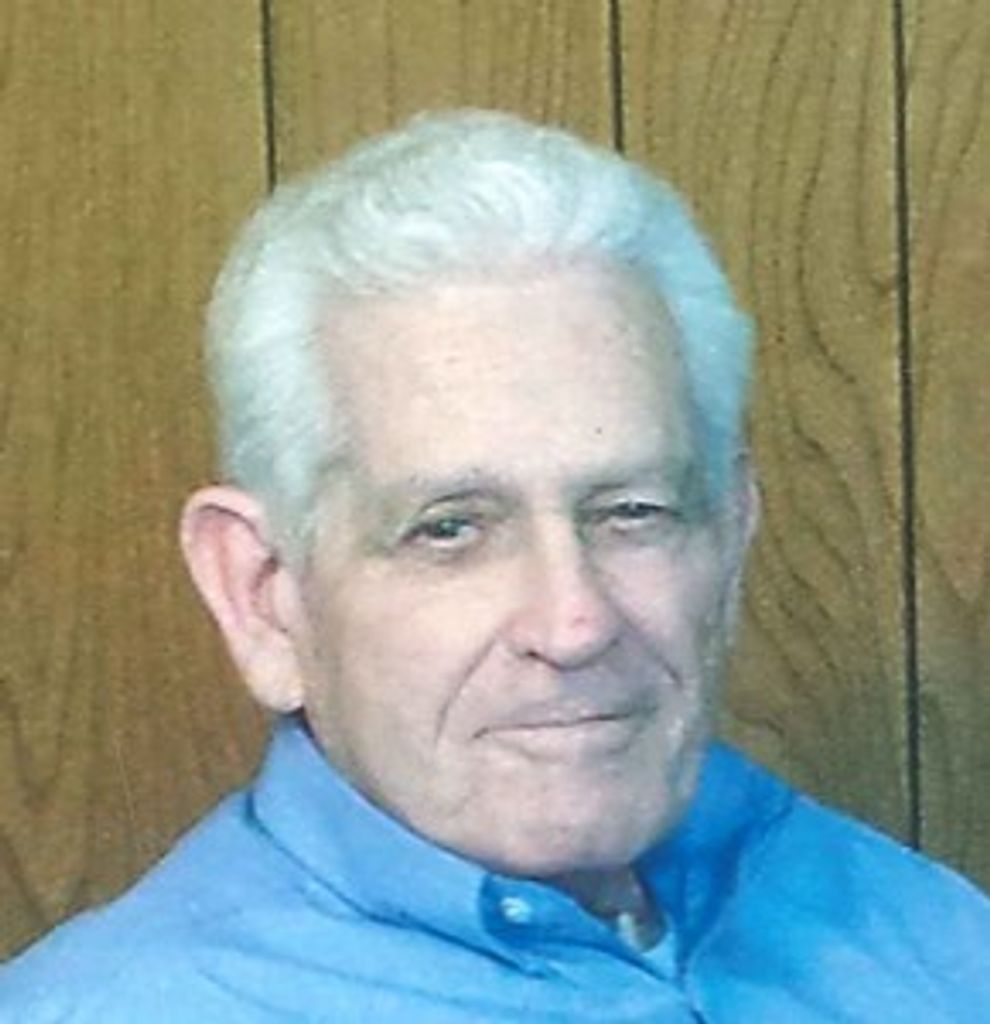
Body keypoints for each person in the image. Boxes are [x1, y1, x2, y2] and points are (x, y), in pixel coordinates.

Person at [1, 110, 988, 1023]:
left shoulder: (929, 939)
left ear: (730, 539)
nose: (573, 623)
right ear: (261, 595)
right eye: (450, 530)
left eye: (632, 513)